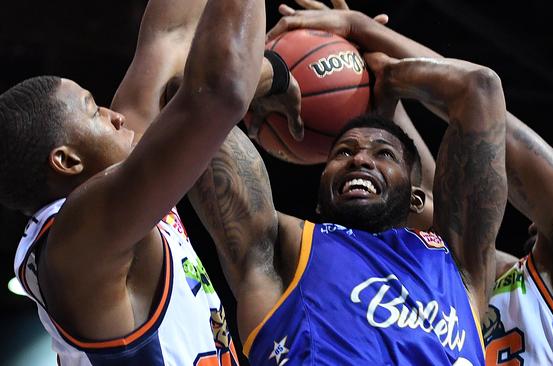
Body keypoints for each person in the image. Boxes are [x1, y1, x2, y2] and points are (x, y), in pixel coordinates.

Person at [188, 9, 507, 366]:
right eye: (343, 152)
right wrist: (272, 75)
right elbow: (194, 108)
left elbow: (480, 87)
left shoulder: (458, 264)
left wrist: (385, 70)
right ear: (321, 197)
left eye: (384, 153)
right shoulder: (285, 246)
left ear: (417, 198)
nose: (360, 160)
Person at [0, 0, 266, 363]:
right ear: (67, 161)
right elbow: (221, 92)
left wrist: (274, 73)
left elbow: (172, 35)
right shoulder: (77, 241)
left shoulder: (120, 187)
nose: (117, 118)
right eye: (94, 109)